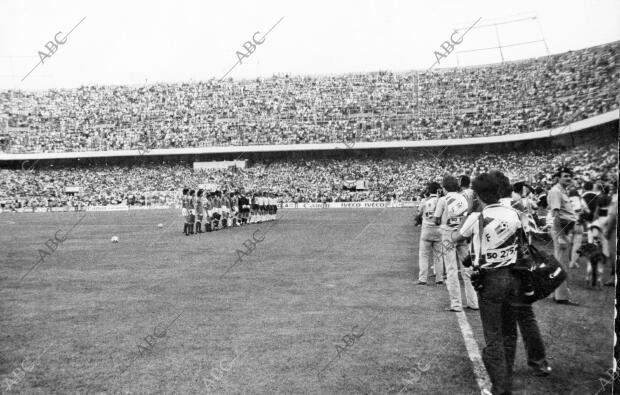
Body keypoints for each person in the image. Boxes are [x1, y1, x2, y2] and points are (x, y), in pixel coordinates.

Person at [451, 172, 523, 395]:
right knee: (509, 332)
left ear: (478, 195)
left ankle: (500, 388)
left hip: (490, 279)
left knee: (493, 335)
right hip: (513, 275)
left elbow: (456, 237)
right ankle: (506, 374)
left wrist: (470, 211)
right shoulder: (514, 213)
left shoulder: (477, 216)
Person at [434, 175, 477, 311]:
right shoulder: (462, 197)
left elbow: (436, 219)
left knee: (451, 269)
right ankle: (473, 302)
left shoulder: (443, 199)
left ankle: (456, 304)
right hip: (462, 233)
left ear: (444, 187)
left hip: (448, 235)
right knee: (467, 268)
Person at [547, 167, 579, 305]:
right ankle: (561, 297)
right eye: (565, 176)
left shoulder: (561, 191)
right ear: (558, 178)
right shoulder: (555, 191)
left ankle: (558, 294)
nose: (568, 178)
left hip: (565, 229)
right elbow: (556, 215)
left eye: (570, 176)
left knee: (561, 262)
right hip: (561, 230)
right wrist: (560, 236)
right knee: (562, 264)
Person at [417, 182, 443, 285]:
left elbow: (418, 213)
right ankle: (439, 278)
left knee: (424, 255)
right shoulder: (441, 201)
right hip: (439, 230)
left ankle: (422, 279)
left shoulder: (424, 201)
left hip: (426, 230)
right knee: (438, 256)